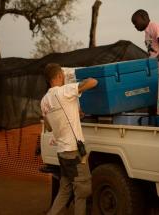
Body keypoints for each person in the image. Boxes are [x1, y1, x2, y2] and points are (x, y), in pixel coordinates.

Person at [40, 63, 98, 215]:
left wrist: (72, 112)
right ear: (59, 76)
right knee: (82, 192)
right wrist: (94, 75)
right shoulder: (64, 91)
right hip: (74, 152)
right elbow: (93, 82)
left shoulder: (44, 100)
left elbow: (50, 127)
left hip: (62, 153)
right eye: (63, 75)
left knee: (65, 188)